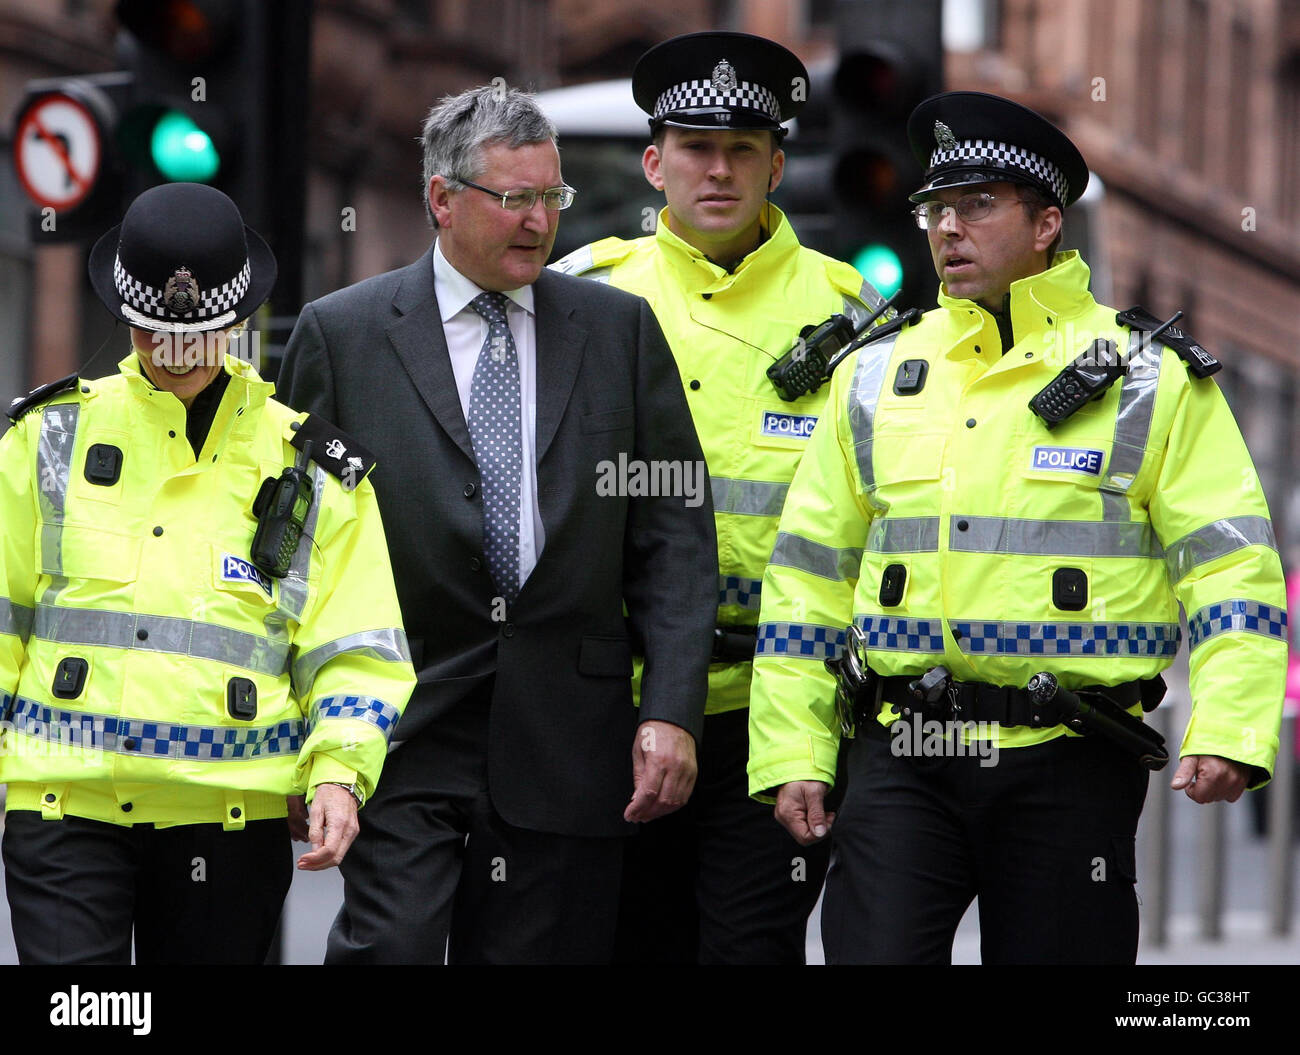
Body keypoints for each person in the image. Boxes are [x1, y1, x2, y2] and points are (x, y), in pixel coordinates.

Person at [747, 91, 1287, 964]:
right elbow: (807, 574)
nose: (946, 228)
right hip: (900, 750)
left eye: (976, 205)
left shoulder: (1148, 378)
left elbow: (1230, 567)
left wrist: (1231, 725)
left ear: (1046, 223)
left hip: (1070, 760)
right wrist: (794, 747)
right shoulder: (876, 375)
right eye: (934, 207)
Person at [277, 84, 717, 965]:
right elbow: (292, 548)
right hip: (404, 719)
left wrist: (671, 709)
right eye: (512, 199)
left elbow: (673, 531)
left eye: (550, 198)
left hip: (568, 729)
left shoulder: (618, 330)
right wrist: (303, 736)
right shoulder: (343, 335)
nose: (538, 223)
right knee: (389, 947)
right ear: (442, 198)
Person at [0, 182, 415, 964]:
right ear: (126, 315)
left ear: (235, 320)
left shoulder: (309, 466)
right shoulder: (46, 438)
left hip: (228, 821)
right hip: (62, 807)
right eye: (156, 332)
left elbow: (356, 647)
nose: (177, 352)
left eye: (198, 333)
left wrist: (337, 774)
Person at [552, 31, 888, 965]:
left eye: (744, 150)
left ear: (778, 165)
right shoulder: (581, 292)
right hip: (611, 703)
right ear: (654, 162)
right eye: (697, 149)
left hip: (771, 707)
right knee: (621, 942)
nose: (719, 171)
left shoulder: (850, 311)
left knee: (751, 946)